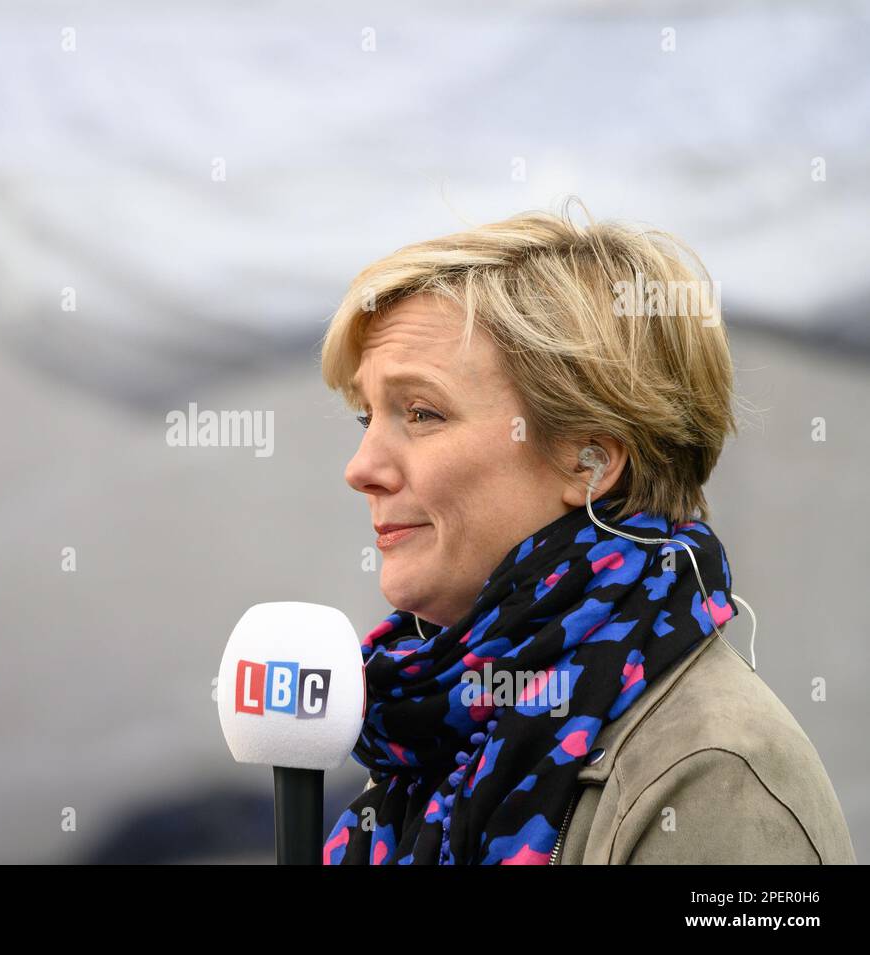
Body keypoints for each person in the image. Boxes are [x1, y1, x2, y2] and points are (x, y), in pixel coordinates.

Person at [317, 198, 856, 864]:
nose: (360, 468)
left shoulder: (714, 776)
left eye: (422, 413)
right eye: (365, 418)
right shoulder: (430, 729)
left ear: (590, 460)